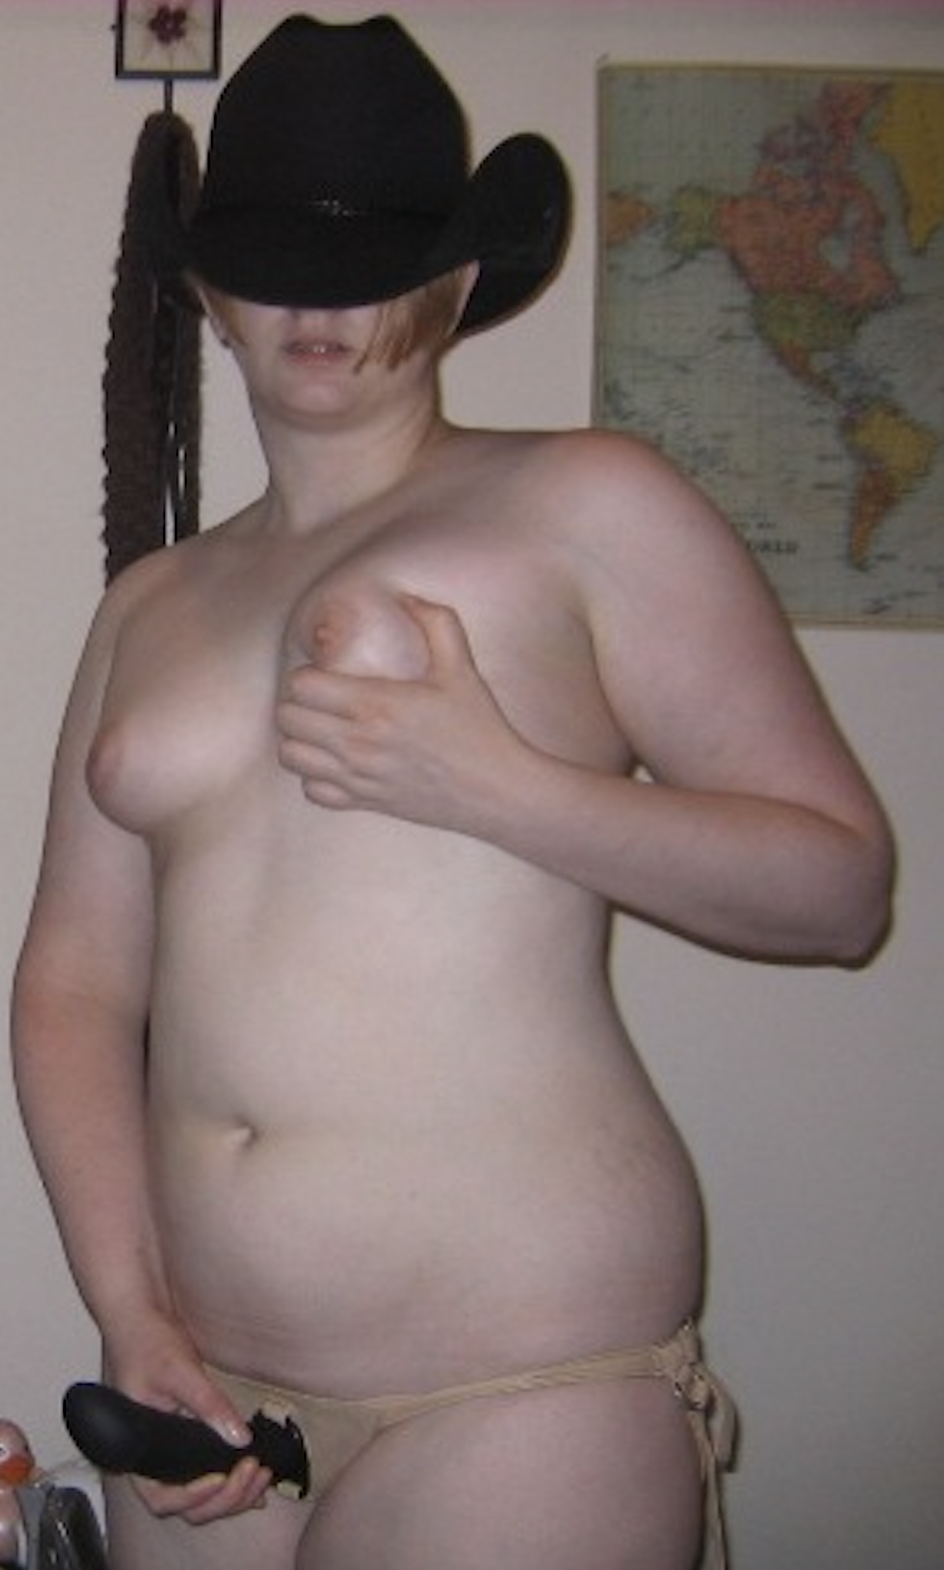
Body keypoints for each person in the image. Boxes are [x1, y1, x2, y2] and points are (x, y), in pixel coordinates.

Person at [11, 14, 894, 1570]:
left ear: (460, 277)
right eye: (276, 260)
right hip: (210, 1398)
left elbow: (838, 886)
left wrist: (497, 783)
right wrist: (127, 1303)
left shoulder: (587, 501)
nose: (319, 304)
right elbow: (73, 982)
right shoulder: (146, 605)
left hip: (519, 1383)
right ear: (209, 288)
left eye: (371, 263)